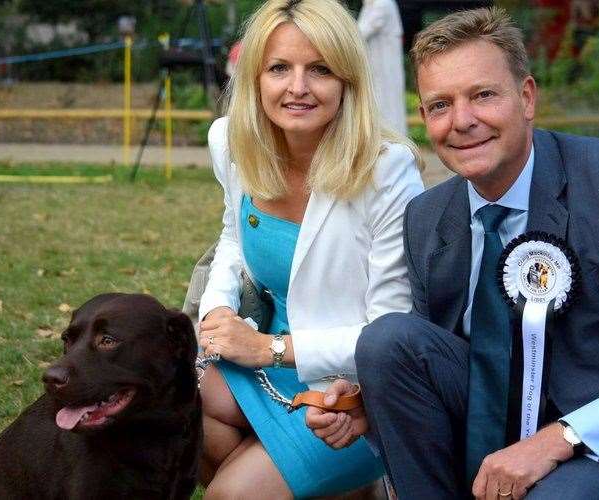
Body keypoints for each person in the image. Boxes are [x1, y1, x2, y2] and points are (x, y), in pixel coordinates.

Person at [307, 7, 599, 499]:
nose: (462, 121)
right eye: (440, 105)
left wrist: (556, 439)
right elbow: (426, 359)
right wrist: (368, 402)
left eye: (483, 95)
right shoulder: (427, 217)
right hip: (491, 425)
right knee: (387, 340)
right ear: (424, 118)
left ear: (526, 97)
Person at [196, 0, 425, 498]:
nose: (297, 88)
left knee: (228, 495)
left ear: (348, 81)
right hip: (264, 365)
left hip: (351, 391)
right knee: (180, 418)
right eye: (279, 68)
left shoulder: (388, 172)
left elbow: (390, 331)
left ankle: (345, 480)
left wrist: (267, 348)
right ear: (255, 77)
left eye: (319, 69)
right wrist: (218, 315)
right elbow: (233, 237)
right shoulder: (230, 142)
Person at [357, 0, 407, 135]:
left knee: (387, 104)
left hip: (385, 67)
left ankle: (393, 137)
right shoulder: (370, 6)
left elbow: (360, 32)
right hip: (375, 67)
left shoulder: (382, 4)